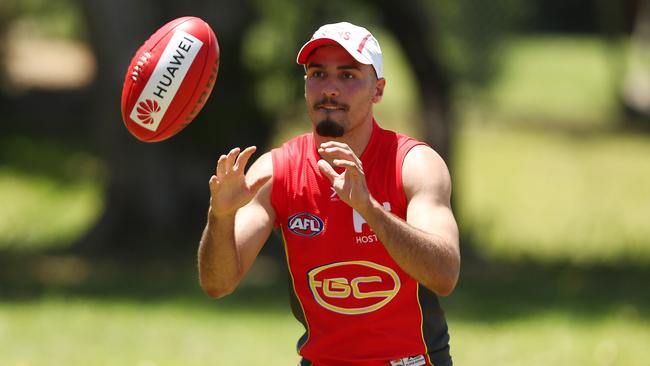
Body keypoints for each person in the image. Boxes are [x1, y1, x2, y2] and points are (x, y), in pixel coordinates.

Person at [198, 21, 460, 366]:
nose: (330, 88)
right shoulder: (275, 172)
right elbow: (218, 284)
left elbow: (444, 275)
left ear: (378, 90)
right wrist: (220, 217)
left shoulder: (413, 164)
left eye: (348, 75)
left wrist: (369, 208)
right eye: (318, 74)